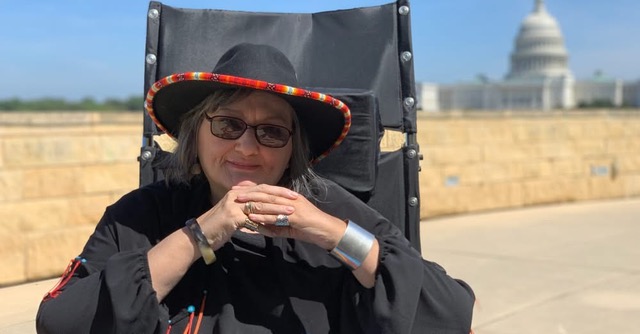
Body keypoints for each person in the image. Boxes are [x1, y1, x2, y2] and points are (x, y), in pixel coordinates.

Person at [36, 43, 474, 334]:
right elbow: (62, 322)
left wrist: (331, 234)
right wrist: (200, 234)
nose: (246, 147)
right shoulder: (143, 214)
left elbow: (448, 314)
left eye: (272, 132)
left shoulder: (330, 209)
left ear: (291, 150)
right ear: (196, 133)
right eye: (227, 124)